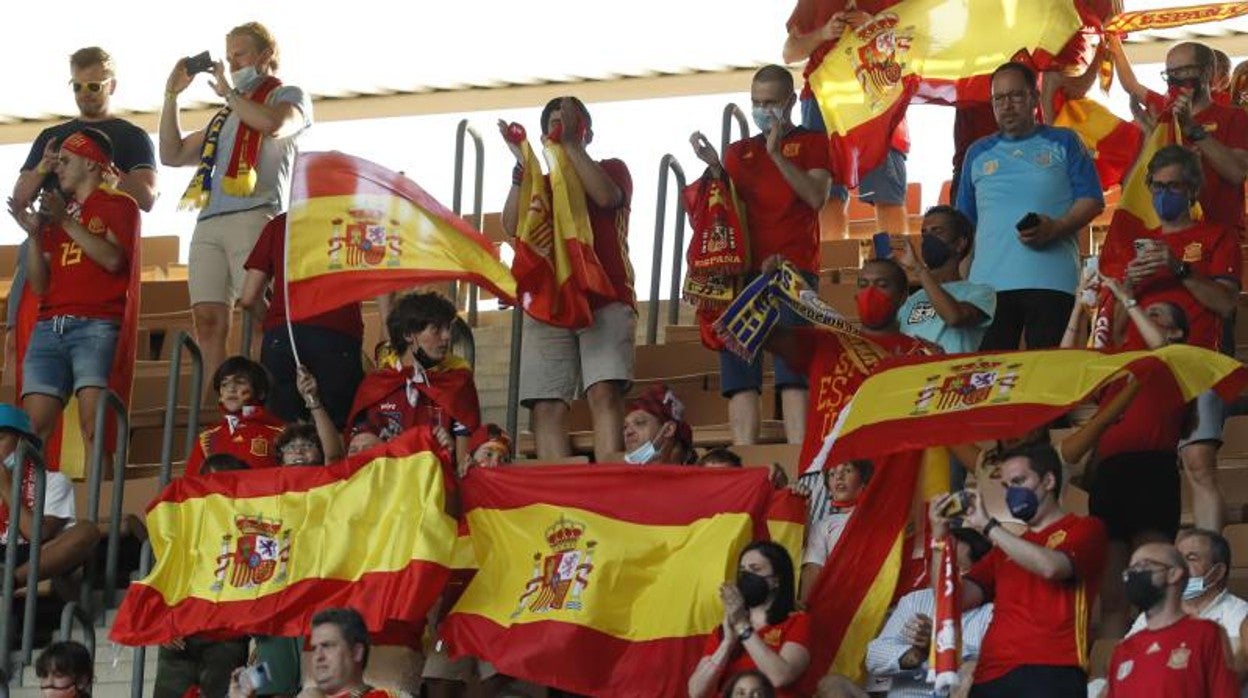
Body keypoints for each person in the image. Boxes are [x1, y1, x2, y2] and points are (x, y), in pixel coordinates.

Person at [161, 22, 313, 395]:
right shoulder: (224, 115)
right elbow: (172, 153)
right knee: (208, 319)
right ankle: (221, 410)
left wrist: (229, 93)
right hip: (209, 221)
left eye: (239, 55)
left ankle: (267, 400)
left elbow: (274, 124)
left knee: (257, 310)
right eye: (228, 58)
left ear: (265, 56)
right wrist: (170, 96)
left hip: (255, 214)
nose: (230, 64)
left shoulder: (285, 94)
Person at [688, 64, 832, 446]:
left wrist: (778, 155)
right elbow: (726, 211)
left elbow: (816, 197)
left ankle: (800, 457)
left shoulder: (814, 142)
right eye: (755, 102)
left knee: (793, 370)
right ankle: (744, 459)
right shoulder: (738, 152)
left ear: (789, 103)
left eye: (770, 103)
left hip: (794, 272)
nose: (762, 109)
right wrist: (715, 169)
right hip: (743, 276)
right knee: (738, 373)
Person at [1103, 144, 1239, 534]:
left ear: (1193, 190)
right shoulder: (1135, 244)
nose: (1165, 195)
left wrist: (1177, 267)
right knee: (1142, 466)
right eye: (1157, 186)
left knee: (1198, 463)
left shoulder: (1217, 237)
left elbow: (1227, 305)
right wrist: (1127, 286)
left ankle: (1209, 562)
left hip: (1196, 364)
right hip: (1145, 372)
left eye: (1174, 186)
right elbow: (1113, 330)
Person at [501, 96, 635, 463]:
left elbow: (606, 197)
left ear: (586, 131)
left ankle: (609, 480)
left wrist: (571, 146)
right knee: (545, 403)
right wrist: (521, 168)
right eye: (554, 124)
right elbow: (513, 227)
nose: (560, 129)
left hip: (604, 298)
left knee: (603, 392)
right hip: (550, 303)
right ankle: (555, 491)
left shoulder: (612, 168)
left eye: (570, 122)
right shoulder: (537, 183)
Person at [766, 257, 939, 521]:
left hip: (885, 480)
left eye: (882, 285)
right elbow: (767, 335)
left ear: (903, 296)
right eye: (864, 284)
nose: (870, 292)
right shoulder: (826, 341)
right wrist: (766, 287)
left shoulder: (918, 354)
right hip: (822, 476)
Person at [930, 442, 1108, 697]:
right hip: (989, 675)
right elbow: (953, 599)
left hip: (1051, 672)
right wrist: (939, 538)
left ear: (1048, 481)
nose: (1010, 493)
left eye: (1018, 481)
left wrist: (989, 526)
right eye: (1006, 486)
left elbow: (1051, 568)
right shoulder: (1005, 549)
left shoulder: (1085, 528)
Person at [6, 128, 140, 455]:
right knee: (31, 431)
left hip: (96, 326)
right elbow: (39, 285)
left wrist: (65, 221)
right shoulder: (59, 214)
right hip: (48, 325)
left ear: (92, 163)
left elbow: (112, 260)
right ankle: (28, 505)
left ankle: (101, 505)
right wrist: (36, 237)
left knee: (94, 428)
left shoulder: (119, 204)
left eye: (66, 161)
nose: (58, 168)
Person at [956, 61, 1105, 351]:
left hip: (1052, 283)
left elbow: (1092, 200)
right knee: (991, 378)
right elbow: (965, 225)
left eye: (1015, 96)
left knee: (1049, 379)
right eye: (999, 98)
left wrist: (1056, 228)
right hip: (988, 289)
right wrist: (966, 285)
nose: (1007, 105)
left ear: (1034, 98)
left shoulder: (1064, 141)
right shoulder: (976, 153)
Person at [783, 1, 911, 237]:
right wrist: (823, 33)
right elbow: (790, 52)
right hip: (823, 100)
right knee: (827, 192)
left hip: (878, 97)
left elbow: (923, 41)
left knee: (887, 193)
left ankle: (896, 266)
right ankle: (834, 269)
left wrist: (875, 28)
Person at [1107, 38, 1247, 238]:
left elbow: (1236, 172)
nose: (1175, 78)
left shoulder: (1234, 116)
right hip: (1169, 243)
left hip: (1220, 240)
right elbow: (1131, 191)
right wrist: (1148, 138)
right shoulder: (1160, 122)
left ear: (1207, 73)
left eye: (1183, 71)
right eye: (1170, 73)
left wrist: (1191, 128)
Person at [241, 212, 364, 430]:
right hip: (338, 335)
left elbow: (249, 298)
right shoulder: (356, 222)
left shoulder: (280, 224)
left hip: (283, 336)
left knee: (283, 433)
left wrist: (273, 323)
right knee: (336, 431)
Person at [12, 47, 156, 212]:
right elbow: (18, 201)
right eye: (77, 86)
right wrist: (43, 168)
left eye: (94, 86)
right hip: (52, 235)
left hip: (103, 235)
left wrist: (102, 166)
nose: (84, 93)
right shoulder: (50, 137)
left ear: (112, 86)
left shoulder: (133, 136)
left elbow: (147, 200)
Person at [347, 291, 479, 465]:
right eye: (436, 329)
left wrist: (451, 448)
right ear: (409, 335)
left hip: (436, 485)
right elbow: (356, 449)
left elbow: (466, 465)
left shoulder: (457, 381)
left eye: (448, 328)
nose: (447, 336)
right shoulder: (376, 384)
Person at [864, 528, 995, 698]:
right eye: (940, 562)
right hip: (901, 689)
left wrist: (936, 644)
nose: (942, 573)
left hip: (947, 693)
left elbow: (985, 669)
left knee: (972, 670)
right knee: (832, 685)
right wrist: (916, 654)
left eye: (954, 567)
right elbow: (874, 656)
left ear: (978, 575)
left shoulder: (990, 612)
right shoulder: (915, 601)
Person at [1105, 542, 1238, 697]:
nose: (1134, 575)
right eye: (1131, 570)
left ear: (1173, 574)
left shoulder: (1207, 633)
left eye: (1144, 565)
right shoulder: (1123, 649)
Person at [689, 541, 810, 698]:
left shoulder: (797, 622)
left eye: (755, 569)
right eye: (742, 571)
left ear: (776, 580)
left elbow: (780, 677)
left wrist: (742, 627)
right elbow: (696, 691)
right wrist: (727, 644)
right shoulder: (724, 630)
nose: (746, 577)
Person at [1119, 529, 1248, 674]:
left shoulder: (1240, 615)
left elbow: (1229, 676)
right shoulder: (1155, 612)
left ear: (1217, 572)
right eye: (1178, 558)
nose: (1180, 567)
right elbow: (1119, 664)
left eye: (1191, 558)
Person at [0, 404, 98, 591]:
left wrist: (6, 488)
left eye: (0, 438)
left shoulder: (54, 481)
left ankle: (10, 580)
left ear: (23, 442)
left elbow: (38, 535)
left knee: (87, 531)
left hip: (32, 557)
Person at [894, 205, 995, 353]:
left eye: (937, 231)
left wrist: (919, 269)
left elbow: (954, 317)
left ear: (960, 243)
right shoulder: (912, 300)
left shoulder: (981, 293)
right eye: (924, 233)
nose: (928, 238)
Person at [184, 357, 285, 477]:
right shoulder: (207, 438)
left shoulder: (282, 434)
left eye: (240, 382)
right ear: (220, 395)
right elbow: (191, 485)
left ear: (260, 393)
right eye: (224, 384)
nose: (231, 389)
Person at [798, 460, 871, 603]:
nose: (839, 477)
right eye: (832, 474)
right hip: (839, 601)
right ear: (829, 491)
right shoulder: (822, 526)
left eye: (848, 471)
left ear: (863, 482)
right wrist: (804, 610)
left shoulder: (880, 517)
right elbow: (813, 568)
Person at [620, 384, 695, 465]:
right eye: (625, 427)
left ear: (668, 430)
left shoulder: (702, 476)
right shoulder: (617, 475)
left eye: (639, 423)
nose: (627, 432)